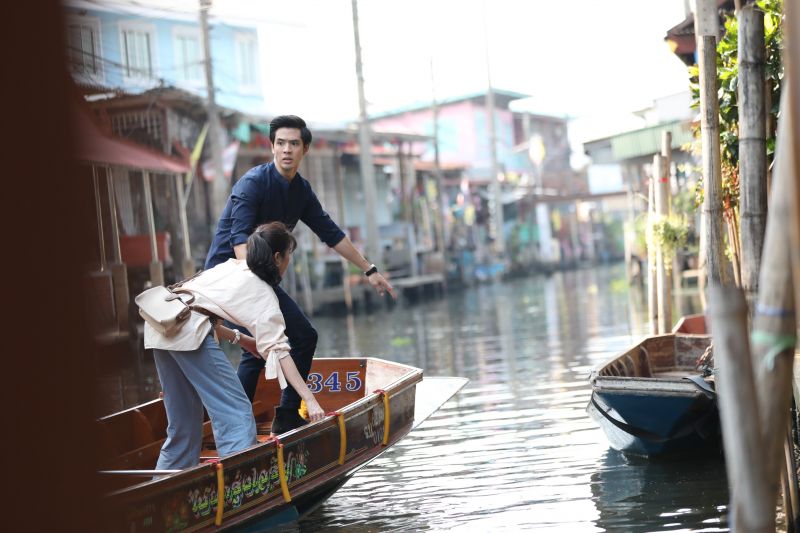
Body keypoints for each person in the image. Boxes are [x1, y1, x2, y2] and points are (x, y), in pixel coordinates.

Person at [205, 114, 395, 433]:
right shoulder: (253, 184)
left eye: (293, 143)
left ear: (305, 149)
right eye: (280, 143)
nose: (286, 150)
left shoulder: (301, 191)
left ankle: (278, 416)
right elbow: (239, 244)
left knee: (281, 343)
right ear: (272, 147)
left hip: (258, 277)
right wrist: (256, 294)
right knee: (279, 342)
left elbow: (330, 232)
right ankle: (250, 424)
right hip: (229, 277)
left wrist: (369, 269)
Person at [145, 222, 325, 470]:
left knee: (183, 423)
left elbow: (199, 308)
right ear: (277, 257)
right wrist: (310, 399)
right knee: (237, 413)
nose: (289, 262)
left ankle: (164, 486)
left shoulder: (232, 266)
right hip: (186, 332)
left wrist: (242, 339)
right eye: (289, 255)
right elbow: (281, 353)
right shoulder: (263, 293)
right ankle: (240, 482)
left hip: (162, 325)